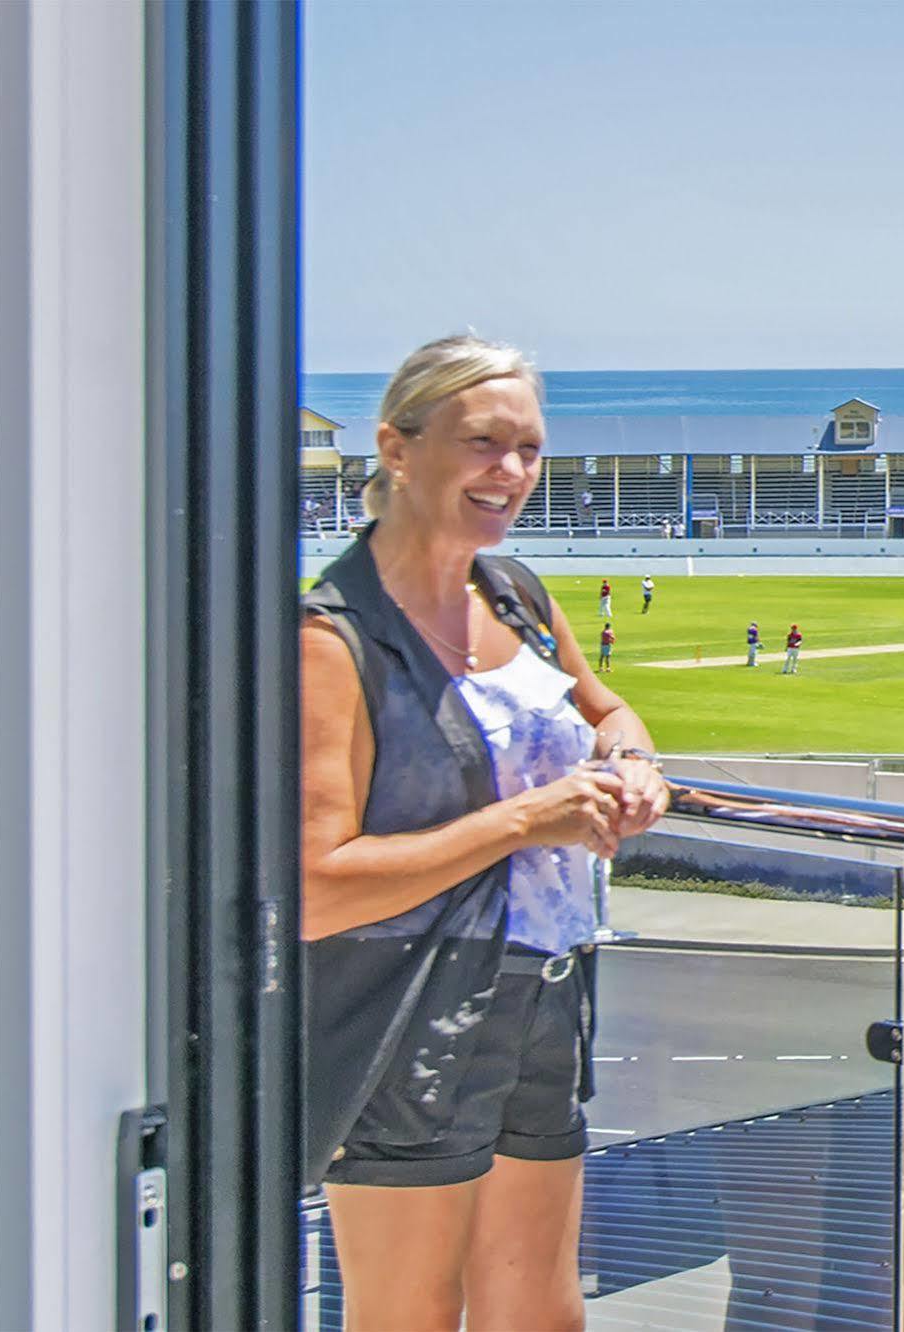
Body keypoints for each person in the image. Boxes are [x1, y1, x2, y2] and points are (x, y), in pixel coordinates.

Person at [299, 334, 670, 1331]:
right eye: (483, 444)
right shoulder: (332, 642)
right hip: (406, 1017)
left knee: (542, 1314)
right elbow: (317, 886)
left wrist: (634, 766)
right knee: (408, 1317)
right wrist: (528, 819)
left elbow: (608, 712)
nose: (510, 473)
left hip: (544, 997)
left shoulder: (515, 593)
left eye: (528, 449)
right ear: (398, 447)